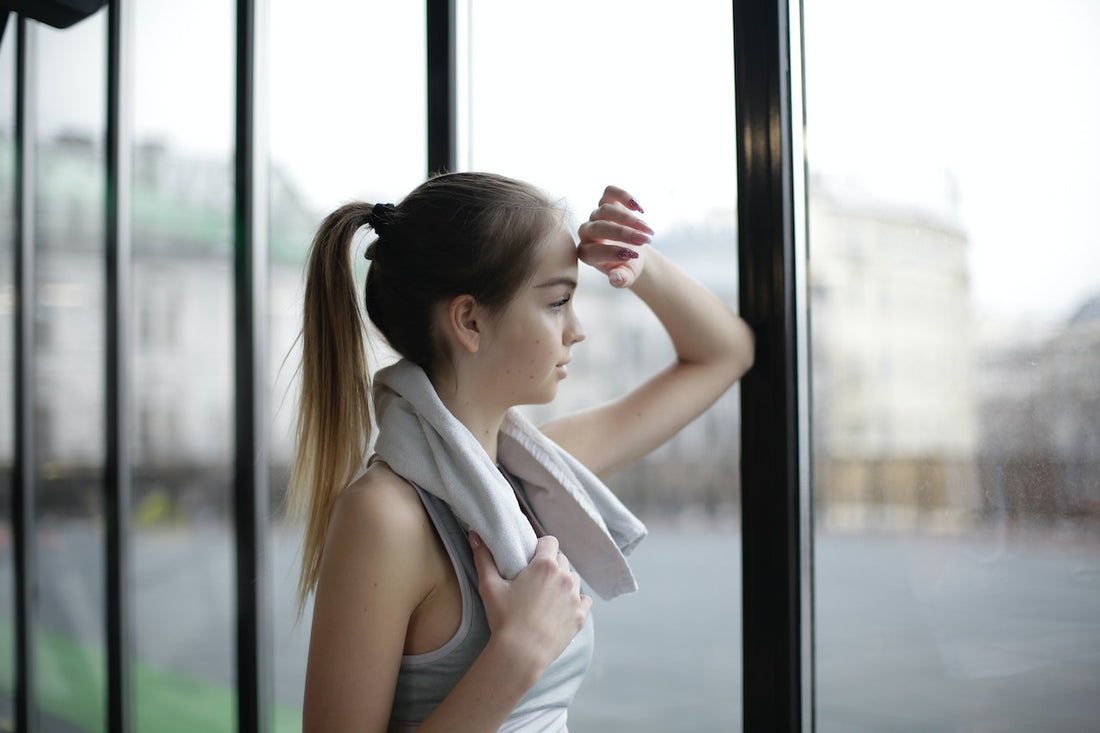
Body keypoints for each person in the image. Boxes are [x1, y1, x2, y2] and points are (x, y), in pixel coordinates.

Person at [289, 172, 754, 732]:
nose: (576, 330)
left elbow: (726, 353)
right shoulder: (384, 517)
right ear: (470, 321)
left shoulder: (535, 472)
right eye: (558, 301)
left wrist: (637, 260)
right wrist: (516, 656)